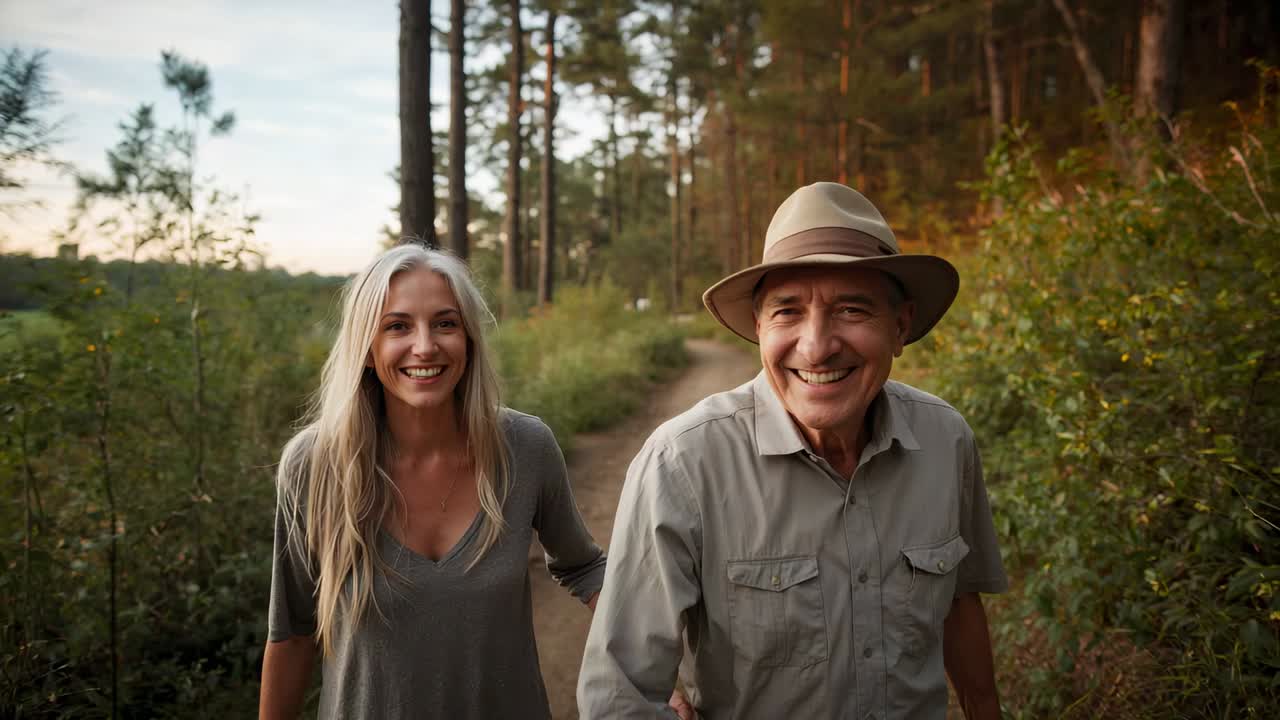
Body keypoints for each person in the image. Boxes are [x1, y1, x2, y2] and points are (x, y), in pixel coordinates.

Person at [578, 182, 1008, 719]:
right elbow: (619, 694)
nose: (817, 345)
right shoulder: (684, 464)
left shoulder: (947, 441)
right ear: (759, 328)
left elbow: (960, 602)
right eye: (787, 312)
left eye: (852, 309)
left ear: (899, 327)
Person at [259, 244, 606, 719]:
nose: (425, 346)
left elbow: (585, 568)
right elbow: (294, 631)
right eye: (398, 326)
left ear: (469, 339)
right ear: (366, 347)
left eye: (445, 323)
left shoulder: (525, 447)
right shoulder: (313, 466)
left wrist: (656, 676)